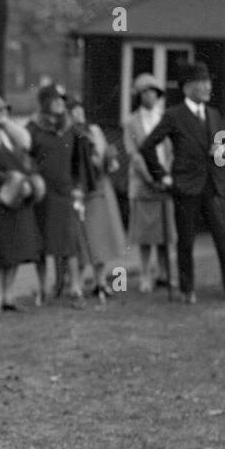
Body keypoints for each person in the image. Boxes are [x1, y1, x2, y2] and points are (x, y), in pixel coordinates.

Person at [139, 62, 225, 302]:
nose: (208, 88)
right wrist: (162, 176)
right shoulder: (174, 115)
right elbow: (147, 146)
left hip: (213, 185)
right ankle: (187, 290)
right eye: (202, 84)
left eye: (209, 83)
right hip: (186, 187)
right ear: (187, 88)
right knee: (186, 240)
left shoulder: (214, 114)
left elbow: (221, 150)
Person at [0, 89, 41, 313]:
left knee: (15, 248)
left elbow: (26, 161)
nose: (2, 113)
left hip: (19, 199)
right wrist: (11, 180)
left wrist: (28, 179)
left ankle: (9, 296)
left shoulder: (14, 136)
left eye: (4, 109)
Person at [28, 85, 87, 304]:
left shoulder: (71, 129)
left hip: (64, 192)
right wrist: (33, 180)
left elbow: (78, 161)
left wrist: (78, 186)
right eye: (56, 99)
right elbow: (27, 160)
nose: (61, 103)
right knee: (41, 244)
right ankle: (43, 289)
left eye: (63, 99)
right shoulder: (33, 128)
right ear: (45, 102)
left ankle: (75, 286)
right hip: (42, 195)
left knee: (68, 242)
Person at [122, 73, 175, 294]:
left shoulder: (164, 119)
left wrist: (166, 176)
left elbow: (170, 151)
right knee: (145, 236)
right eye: (145, 92)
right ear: (138, 96)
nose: (150, 96)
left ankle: (164, 274)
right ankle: (145, 275)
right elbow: (134, 155)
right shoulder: (131, 122)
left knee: (165, 234)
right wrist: (151, 178)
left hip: (165, 184)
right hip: (144, 185)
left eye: (153, 92)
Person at [69, 98, 127, 300]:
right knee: (83, 240)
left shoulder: (95, 131)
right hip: (80, 191)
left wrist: (109, 157)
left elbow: (106, 161)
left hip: (101, 188)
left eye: (79, 110)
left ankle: (100, 282)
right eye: (73, 112)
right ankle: (75, 284)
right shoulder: (69, 135)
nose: (78, 114)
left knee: (102, 237)